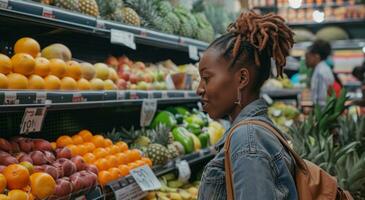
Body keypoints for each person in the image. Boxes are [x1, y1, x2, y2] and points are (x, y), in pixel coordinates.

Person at [196, 11, 297, 200]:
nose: (199, 89)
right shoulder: (254, 132)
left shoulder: (247, 139)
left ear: (242, 79)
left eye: (206, 78)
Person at [305, 40, 337, 106]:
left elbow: (322, 99)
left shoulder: (321, 71)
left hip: (322, 111)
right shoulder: (321, 68)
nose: (306, 61)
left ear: (317, 56)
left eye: (308, 57)